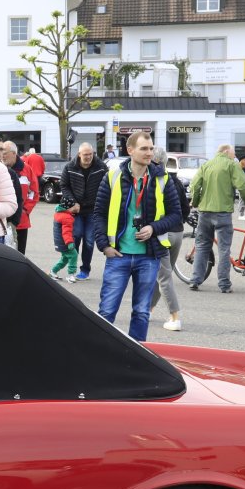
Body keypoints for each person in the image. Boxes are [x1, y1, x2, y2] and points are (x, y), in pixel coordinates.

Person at [91, 131, 182, 341]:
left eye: (151, 148)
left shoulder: (162, 179)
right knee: (106, 312)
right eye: (144, 149)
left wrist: (153, 228)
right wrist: (104, 245)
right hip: (118, 255)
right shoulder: (112, 176)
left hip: (149, 256)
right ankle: (100, 352)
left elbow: (176, 215)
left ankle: (136, 354)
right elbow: (99, 214)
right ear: (130, 150)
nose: (149, 153)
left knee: (141, 312)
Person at [188, 144, 245, 292]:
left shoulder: (206, 165)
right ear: (226, 151)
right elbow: (243, 186)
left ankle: (195, 280)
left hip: (205, 212)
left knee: (202, 246)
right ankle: (224, 284)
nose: (234, 157)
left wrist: (196, 202)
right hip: (223, 212)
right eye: (233, 153)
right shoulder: (231, 165)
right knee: (224, 249)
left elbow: (195, 185)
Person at [149, 145, 189, 331]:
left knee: (163, 277)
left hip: (161, 233)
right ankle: (148, 309)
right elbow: (185, 208)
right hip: (178, 232)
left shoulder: (154, 180)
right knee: (163, 275)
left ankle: (175, 318)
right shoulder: (176, 181)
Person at [60, 144, 108, 279]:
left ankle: (85, 270)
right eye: (85, 154)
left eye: (90, 154)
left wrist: (101, 203)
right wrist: (72, 202)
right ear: (79, 154)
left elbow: (107, 186)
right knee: (75, 236)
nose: (88, 157)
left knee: (89, 240)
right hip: (76, 209)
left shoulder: (101, 167)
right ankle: (72, 268)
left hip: (93, 210)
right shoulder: (70, 167)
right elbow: (64, 185)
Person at [50, 206, 79, 281]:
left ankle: (53, 271)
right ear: (68, 207)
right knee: (73, 255)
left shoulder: (59, 213)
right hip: (65, 242)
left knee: (64, 259)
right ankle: (71, 275)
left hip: (60, 242)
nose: (76, 207)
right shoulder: (67, 217)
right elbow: (66, 232)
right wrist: (69, 242)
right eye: (74, 206)